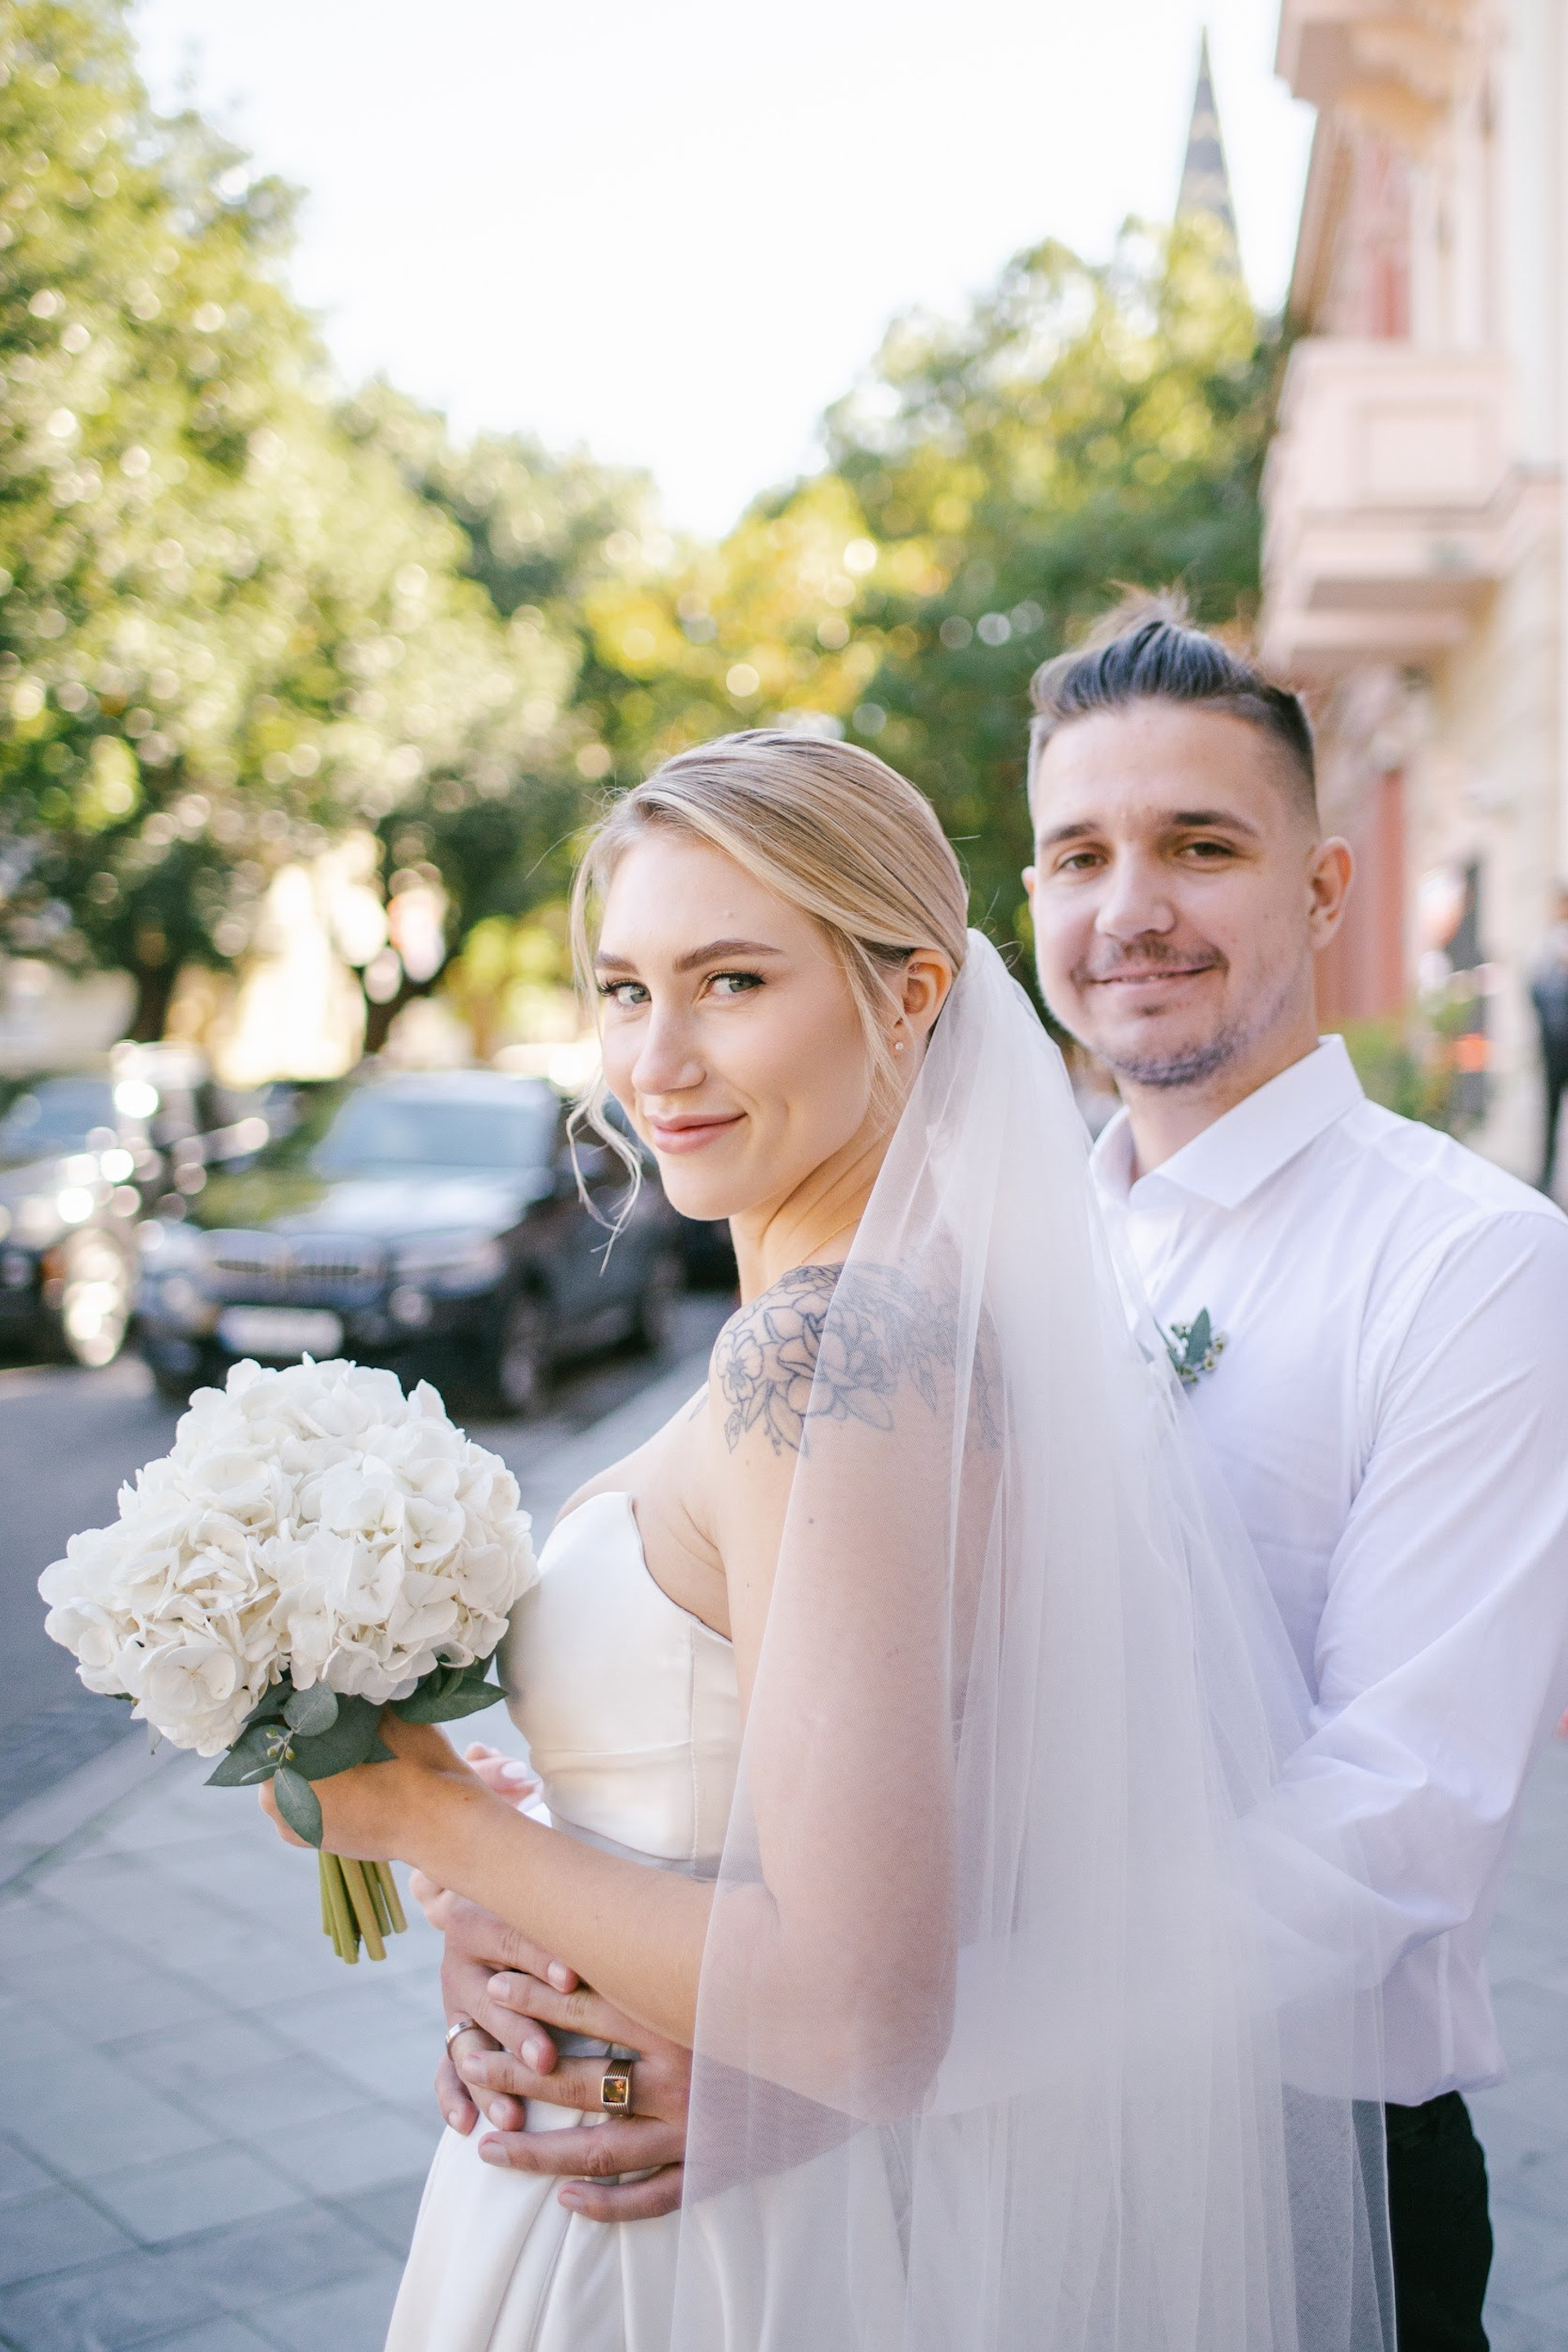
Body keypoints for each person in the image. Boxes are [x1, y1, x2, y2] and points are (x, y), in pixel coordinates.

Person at [261, 730, 1391, 2350]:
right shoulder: (853, 1333)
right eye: (626, 988)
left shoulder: (830, 1357)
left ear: (911, 995)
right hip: (629, 2142)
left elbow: (861, 2014)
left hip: (721, 2250)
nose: (657, 1057)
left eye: (731, 981)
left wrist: (439, 1819)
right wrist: (506, 1943)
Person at [1022, 600, 1568, 2352]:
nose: (1130, 911)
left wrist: (952, 2037)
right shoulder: (1005, 1256)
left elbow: (1398, 1815)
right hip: (1000, 2177)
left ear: (1324, 891)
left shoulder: (1473, 1261)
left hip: (1317, 2169)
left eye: (1200, 844)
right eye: (1078, 854)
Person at [1529, 887, 1568, 1195]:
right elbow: (1534, 987)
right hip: (1553, 1046)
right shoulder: (1549, 943)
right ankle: (1547, 1178)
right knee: (1550, 1114)